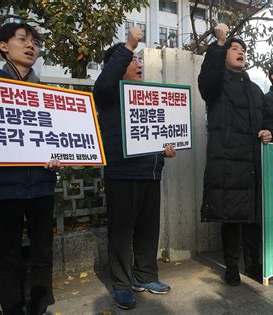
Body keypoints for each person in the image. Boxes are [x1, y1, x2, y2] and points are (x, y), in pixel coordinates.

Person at [0, 22, 62, 315]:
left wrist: (59, 154)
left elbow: (61, 136)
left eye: (35, 42)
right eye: (23, 39)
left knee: (43, 253)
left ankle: (38, 309)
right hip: (2, 186)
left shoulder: (48, 96)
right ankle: (12, 310)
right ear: (3, 46)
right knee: (9, 255)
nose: (31, 46)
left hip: (41, 183)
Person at [93, 26, 176, 310]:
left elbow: (161, 132)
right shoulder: (109, 94)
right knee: (121, 232)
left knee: (147, 230)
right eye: (133, 60)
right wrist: (127, 45)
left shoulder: (149, 96)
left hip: (150, 172)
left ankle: (146, 276)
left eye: (140, 60)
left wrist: (166, 151)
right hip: (122, 173)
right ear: (116, 65)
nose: (139, 64)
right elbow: (102, 84)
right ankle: (121, 284)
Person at [198, 23, 273, 286]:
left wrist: (267, 132)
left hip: (253, 161)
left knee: (253, 216)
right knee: (231, 216)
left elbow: (267, 120)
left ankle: (254, 264)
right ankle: (231, 265)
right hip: (228, 162)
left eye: (243, 49)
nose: (240, 52)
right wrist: (218, 44)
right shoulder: (216, 85)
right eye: (234, 48)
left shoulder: (254, 89)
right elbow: (206, 80)